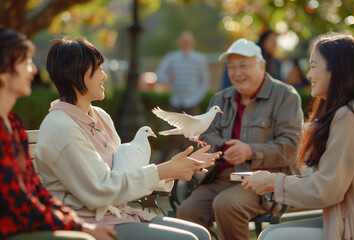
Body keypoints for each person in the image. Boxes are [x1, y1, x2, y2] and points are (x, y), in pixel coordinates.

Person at [35, 36, 220, 240]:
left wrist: (173, 170)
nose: (104, 76)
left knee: (201, 234)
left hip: (118, 215)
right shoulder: (62, 127)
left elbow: (124, 174)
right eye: (98, 69)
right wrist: (162, 170)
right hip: (88, 222)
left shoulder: (100, 117)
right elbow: (102, 190)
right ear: (75, 72)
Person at [177, 38, 304, 240]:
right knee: (186, 212)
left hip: (264, 181)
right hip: (221, 178)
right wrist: (224, 147)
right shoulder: (220, 99)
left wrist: (250, 151)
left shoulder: (285, 95)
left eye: (243, 66)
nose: (236, 73)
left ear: (261, 66)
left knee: (227, 204)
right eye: (231, 67)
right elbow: (206, 135)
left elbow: (292, 147)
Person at [0, 28, 117, 240]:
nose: (33, 69)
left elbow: (35, 191)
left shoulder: (14, 124)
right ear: (3, 71)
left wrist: (76, 224)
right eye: (25, 62)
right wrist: (80, 227)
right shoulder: (59, 125)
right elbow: (19, 203)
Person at [242, 33, 354, 240]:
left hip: (351, 223)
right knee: (271, 233)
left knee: (271, 237)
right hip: (343, 215)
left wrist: (274, 182)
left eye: (314, 66)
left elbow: (326, 189)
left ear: (336, 70)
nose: (308, 74)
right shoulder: (340, 113)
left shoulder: (349, 116)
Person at [155, 30, 210, 163]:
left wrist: (196, 97)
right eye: (183, 40)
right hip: (176, 103)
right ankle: (163, 169)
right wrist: (168, 77)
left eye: (188, 40)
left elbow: (205, 82)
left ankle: (192, 175)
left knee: (191, 140)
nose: (186, 42)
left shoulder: (200, 59)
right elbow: (160, 75)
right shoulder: (171, 58)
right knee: (172, 139)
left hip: (192, 104)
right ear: (178, 42)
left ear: (193, 42)